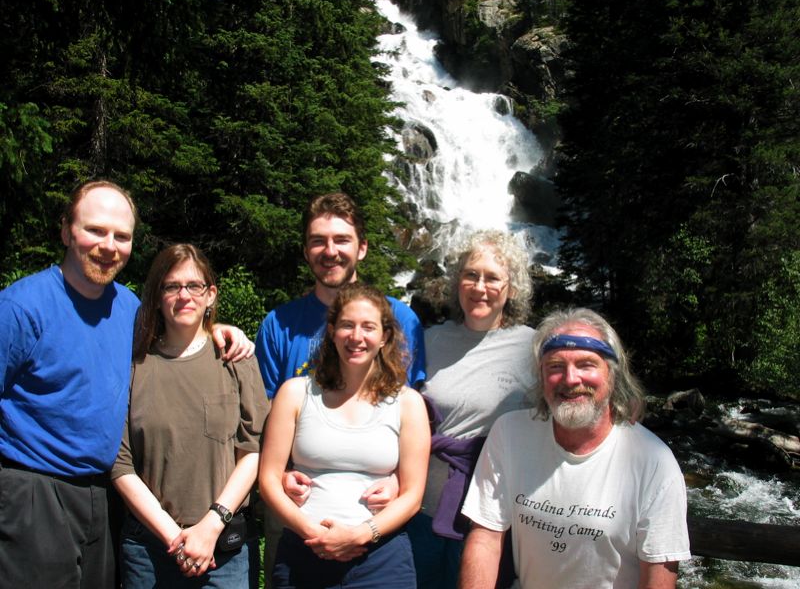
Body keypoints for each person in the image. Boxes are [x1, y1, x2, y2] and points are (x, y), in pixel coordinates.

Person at [0, 180, 252, 588]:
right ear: (66, 231)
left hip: (104, 498)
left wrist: (216, 327)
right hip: (33, 490)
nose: (108, 245)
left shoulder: (130, 309)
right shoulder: (22, 307)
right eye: (95, 230)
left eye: (122, 236)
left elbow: (178, 333)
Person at [254, 191, 427, 577]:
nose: (329, 251)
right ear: (306, 251)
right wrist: (280, 474)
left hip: (377, 535)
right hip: (296, 517)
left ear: (362, 248)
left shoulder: (403, 320)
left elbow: (410, 417)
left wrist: (399, 481)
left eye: (341, 240)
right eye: (318, 241)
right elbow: (264, 419)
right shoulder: (278, 324)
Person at [459, 308, 691, 589]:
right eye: (555, 366)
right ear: (541, 376)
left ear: (612, 374)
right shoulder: (509, 434)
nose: (570, 379)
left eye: (586, 364)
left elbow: (658, 576)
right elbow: (485, 537)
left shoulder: (654, 461)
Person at [112, 244, 270, 588]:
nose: (184, 295)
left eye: (194, 286)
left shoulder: (236, 360)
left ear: (210, 294)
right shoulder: (132, 366)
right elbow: (120, 465)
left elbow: (254, 450)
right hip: (148, 550)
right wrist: (177, 539)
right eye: (171, 286)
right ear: (156, 297)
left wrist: (211, 526)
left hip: (224, 547)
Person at [407, 229, 536, 589]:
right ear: (457, 281)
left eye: (493, 277)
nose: (480, 287)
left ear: (511, 287)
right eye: (471, 274)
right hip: (419, 510)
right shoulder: (428, 340)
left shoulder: (532, 347)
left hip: (491, 518)